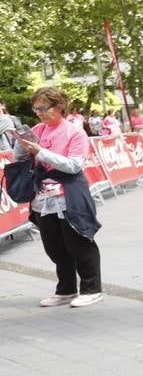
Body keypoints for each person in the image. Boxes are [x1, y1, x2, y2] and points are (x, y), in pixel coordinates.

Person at [17, 87, 103, 308]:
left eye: (43, 108)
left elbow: (74, 165)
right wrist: (21, 144)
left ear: (59, 107)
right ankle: (66, 289)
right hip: (43, 195)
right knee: (54, 246)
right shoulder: (38, 129)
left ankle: (91, 288)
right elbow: (21, 158)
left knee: (79, 242)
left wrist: (40, 152)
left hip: (69, 193)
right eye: (36, 109)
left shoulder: (75, 132)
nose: (39, 113)